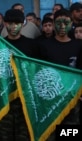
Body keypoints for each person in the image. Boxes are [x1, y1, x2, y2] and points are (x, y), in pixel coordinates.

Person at [0, 9, 38, 141]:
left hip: (25, 100)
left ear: (23, 24)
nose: (13, 27)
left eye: (17, 23)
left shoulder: (32, 45)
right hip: (4, 99)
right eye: (10, 23)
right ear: (5, 24)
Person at [37, 9, 82, 141]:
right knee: (49, 135)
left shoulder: (79, 46)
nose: (62, 26)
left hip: (71, 100)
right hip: (49, 101)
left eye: (66, 22)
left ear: (71, 23)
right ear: (53, 23)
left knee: (69, 134)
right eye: (58, 22)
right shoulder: (43, 45)